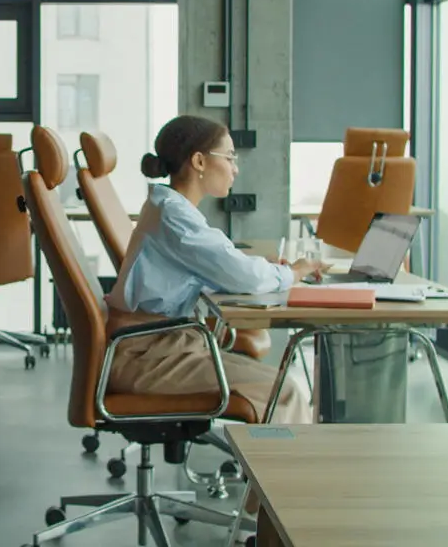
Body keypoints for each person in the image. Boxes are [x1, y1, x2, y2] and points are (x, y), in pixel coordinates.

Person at [104, 115, 321, 425]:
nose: (236, 168)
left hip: (157, 346)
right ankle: (279, 473)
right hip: (148, 357)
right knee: (283, 391)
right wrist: (295, 272)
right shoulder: (175, 218)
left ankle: (272, 468)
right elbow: (243, 276)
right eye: (230, 157)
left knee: (281, 385)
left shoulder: (170, 208)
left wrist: (264, 269)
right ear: (199, 161)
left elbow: (225, 264)